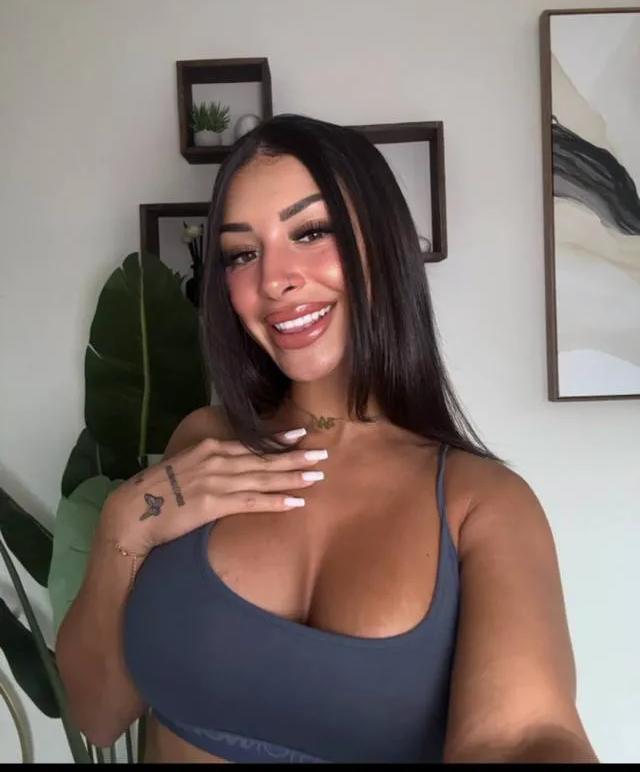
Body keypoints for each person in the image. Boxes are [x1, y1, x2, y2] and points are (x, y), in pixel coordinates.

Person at [55, 114, 598, 764]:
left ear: (381, 243)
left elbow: (527, 735)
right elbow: (98, 714)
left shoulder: (483, 503)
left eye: (310, 232)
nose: (273, 279)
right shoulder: (202, 446)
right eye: (242, 253)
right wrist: (123, 525)